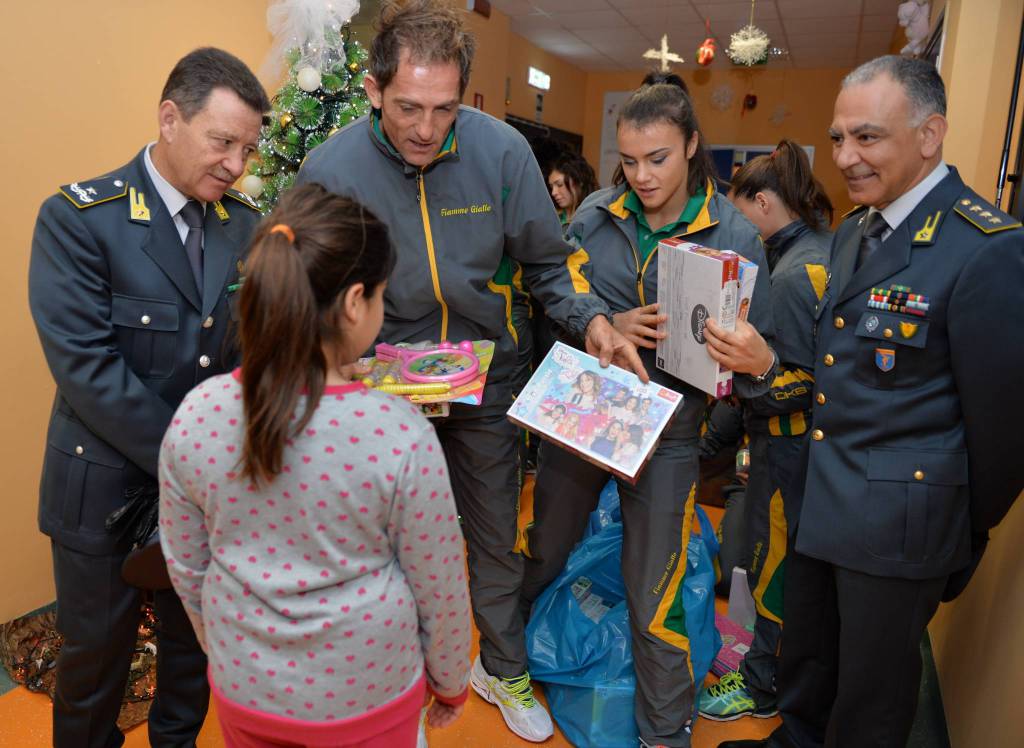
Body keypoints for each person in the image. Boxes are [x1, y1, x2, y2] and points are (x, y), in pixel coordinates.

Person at [294, 1, 645, 741]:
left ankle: (503, 668)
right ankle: (394, 682)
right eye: (408, 108)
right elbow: (302, 287)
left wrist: (596, 323)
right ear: (373, 89)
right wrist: (332, 362)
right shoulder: (330, 168)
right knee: (382, 544)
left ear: (465, 97)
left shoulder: (502, 152)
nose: (426, 128)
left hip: (484, 379)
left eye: (445, 109)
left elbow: (549, 267)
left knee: (492, 538)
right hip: (382, 383)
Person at [717, 55, 1024, 748]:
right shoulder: (859, 230)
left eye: (867, 137)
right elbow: (840, 372)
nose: (846, 157)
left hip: (900, 529)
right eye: (837, 139)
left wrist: (953, 539)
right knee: (808, 665)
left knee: (869, 703)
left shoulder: (985, 248)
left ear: (929, 133)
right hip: (824, 502)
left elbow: (1004, 435)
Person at [158, 184, 471, 748]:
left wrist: (224, 644)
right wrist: (450, 681)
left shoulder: (197, 415)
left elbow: (187, 564)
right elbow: (440, 584)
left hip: (246, 689)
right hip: (369, 694)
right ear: (354, 303)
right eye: (381, 296)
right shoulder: (399, 434)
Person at [521, 72, 776, 748]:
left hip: (668, 436)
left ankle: (664, 734)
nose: (641, 176)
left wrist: (739, 357)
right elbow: (551, 307)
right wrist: (600, 321)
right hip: (583, 419)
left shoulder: (737, 237)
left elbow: (757, 366)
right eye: (629, 160)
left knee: (653, 588)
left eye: (658, 159)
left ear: (692, 145)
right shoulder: (593, 215)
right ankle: (522, 667)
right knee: (546, 549)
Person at [27, 48, 268, 748]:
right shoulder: (81, 219)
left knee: (191, 665)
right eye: (222, 142)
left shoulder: (243, 225)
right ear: (170, 118)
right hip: (103, 493)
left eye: (247, 149)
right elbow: (86, 368)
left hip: (204, 500)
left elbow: (244, 354)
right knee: (94, 671)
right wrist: (197, 459)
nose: (235, 164)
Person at [697, 139, 833, 721]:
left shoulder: (793, 276)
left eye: (739, 212)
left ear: (764, 203)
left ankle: (759, 683)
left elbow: (802, 379)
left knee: (776, 565)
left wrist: (738, 393)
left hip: (790, 444)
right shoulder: (823, 251)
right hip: (809, 452)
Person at [548, 150, 600, 229]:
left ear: (579, 181)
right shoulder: (553, 217)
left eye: (559, 185)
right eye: (551, 187)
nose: (553, 192)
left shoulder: (594, 218)